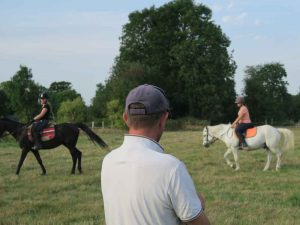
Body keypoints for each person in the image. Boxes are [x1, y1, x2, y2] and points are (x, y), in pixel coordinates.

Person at [101, 84, 210, 225]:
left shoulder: (108, 161)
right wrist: (197, 204)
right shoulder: (171, 167)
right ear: (164, 118)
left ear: (125, 118)